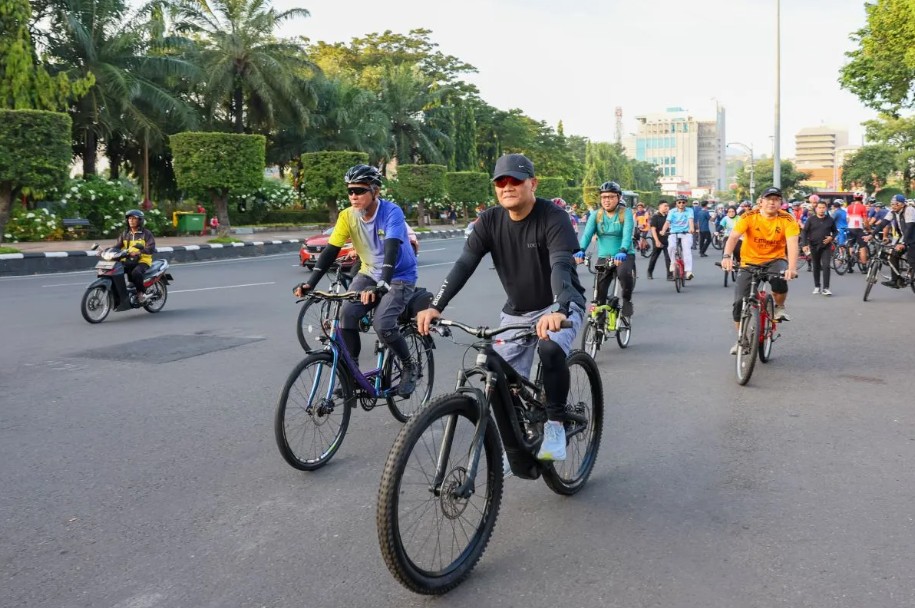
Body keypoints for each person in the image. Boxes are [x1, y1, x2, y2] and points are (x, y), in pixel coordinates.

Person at [416, 153, 586, 462]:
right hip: (516, 311)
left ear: (532, 183)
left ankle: (556, 425)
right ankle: (519, 435)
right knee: (499, 377)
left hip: (560, 305)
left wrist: (560, 308)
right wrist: (435, 305)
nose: (507, 186)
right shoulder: (489, 221)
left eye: (515, 180)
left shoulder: (553, 217)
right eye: (500, 182)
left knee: (549, 350)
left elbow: (560, 265)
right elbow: (465, 263)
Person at [293, 164, 419, 397]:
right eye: (350, 191)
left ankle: (410, 367)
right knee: (347, 316)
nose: (354, 196)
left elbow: (391, 249)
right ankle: (354, 376)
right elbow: (331, 250)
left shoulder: (392, 212)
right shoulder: (347, 216)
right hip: (369, 272)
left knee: (383, 325)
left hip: (400, 275)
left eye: (360, 191)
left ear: (375, 191)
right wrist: (310, 282)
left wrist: (382, 283)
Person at [721, 187, 799, 354]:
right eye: (768, 199)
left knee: (780, 280)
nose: (772, 202)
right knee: (739, 302)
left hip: (775, 259)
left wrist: (792, 268)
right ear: (761, 201)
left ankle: (779, 306)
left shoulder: (788, 219)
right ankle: (743, 340)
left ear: (781, 203)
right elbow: (733, 237)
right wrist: (727, 256)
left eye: (776, 199)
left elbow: (792, 244)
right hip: (749, 261)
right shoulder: (749, 216)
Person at [576, 181, 635, 316]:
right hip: (604, 256)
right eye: (604, 197)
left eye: (611, 197)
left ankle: (627, 300)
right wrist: (580, 250)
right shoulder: (596, 215)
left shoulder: (625, 213)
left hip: (624, 254)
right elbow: (587, 234)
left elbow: (627, 234)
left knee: (624, 275)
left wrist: (623, 250)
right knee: (599, 292)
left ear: (618, 198)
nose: (607, 200)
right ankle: (599, 325)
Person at [869, 194, 915, 288]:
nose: (893, 206)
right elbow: (883, 223)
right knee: (893, 256)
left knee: (911, 260)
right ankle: (895, 281)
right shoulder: (893, 211)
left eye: (896, 204)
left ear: (902, 204)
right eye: (892, 204)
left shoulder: (909, 210)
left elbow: (910, 227)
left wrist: (902, 243)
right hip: (905, 237)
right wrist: (872, 234)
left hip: (913, 238)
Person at [113, 210, 157, 304]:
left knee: (136, 272)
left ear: (140, 220)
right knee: (115, 269)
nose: (131, 220)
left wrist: (139, 252)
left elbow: (151, 247)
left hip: (143, 260)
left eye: (134, 218)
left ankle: (141, 293)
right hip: (128, 259)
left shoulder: (146, 233)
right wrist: (106, 251)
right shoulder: (125, 233)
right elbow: (117, 246)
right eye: (129, 218)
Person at [802, 199, 837, 295]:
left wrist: (831, 237)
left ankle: (826, 288)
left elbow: (835, 231)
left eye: (823, 208)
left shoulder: (830, 220)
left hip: (826, 246)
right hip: (813, 246)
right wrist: (804, 244)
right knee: (816, 266)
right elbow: (804, 231)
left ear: (826, 208)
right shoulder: (811, 219)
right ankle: (817, 286)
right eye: (819, 208)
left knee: (826, 266)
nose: (821, 210)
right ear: (816, 209)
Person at [662, 194, 696, 279]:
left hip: (686, 233)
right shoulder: (672, 211)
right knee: (671, 247)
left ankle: (688, 271)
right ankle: (673, 262)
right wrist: (663, 230)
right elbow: (667, 222)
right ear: (676, 203)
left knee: (687, 251)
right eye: (679, 202)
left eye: (683, 202)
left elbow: (690, 220)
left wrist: (691, 228)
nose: (681, 204)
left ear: (686, 203)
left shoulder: (689, 210)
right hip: (674, 232)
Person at [647, 200, 672, 280]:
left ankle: (669, 275)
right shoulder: (655, 217)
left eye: (667, 206)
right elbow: (653, 230)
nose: (667, 208)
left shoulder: (669, 217)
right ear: (659, 207)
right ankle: (649, 272)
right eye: (665, 206)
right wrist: (657, 241)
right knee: (654, 257)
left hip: (667, 240)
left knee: (668, 258)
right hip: (658, 240)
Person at [845, 192, 869, 271]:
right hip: (858, 229)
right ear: (862, 199)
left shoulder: (849, 207)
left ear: (854, 198)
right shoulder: (863, 207)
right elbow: (865, 220)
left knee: (850, 245)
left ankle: (849, 266)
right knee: (862, 247)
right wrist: (868, 228)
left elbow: (847, 219)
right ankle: (864, 267)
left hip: (850, 228)